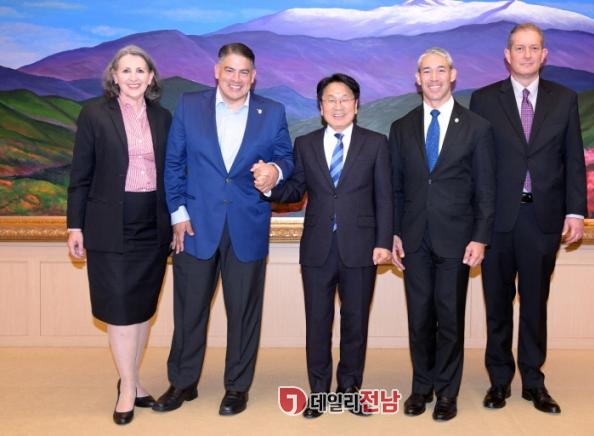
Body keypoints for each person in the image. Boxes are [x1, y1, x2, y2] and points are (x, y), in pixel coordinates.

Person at [154, 42, 294, 416]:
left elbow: (286, 157)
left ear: (254, 76)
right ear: (216, 72)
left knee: (244, 312)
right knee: (189, 309)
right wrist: (178, 213)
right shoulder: (189, 105)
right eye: (229, 70)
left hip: (247, 225)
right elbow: (173, 163)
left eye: (244, 72)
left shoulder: (272, 112)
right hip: (195, 225)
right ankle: (182, 383)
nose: (236, 78)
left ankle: (237, 387)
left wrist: (275, 171)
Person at [469, 23, 587, 414]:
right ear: (507, 55)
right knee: (497, 304)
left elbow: (574, 158)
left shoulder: (564, 99)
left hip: (543, 218)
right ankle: (499, 381)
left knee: (535, 304)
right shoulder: (484, 99)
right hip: (497, 220)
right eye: (519, 48)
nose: (527, 55)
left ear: (544, 55)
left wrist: (575, 211)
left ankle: (534, 382)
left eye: (534, 48)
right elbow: (477, 165)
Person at [260, 73, 392, 418]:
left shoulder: (376, 143)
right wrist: (270, 187)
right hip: (317, 247)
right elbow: (295, 191)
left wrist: (383, 242)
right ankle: (318, 392)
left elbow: (385, 197)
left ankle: (349, 390)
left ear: (356, 104)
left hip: (361, 247)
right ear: (320, 107)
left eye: (344, 98)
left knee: (355, 323)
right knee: (317, 323)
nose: (338, 105)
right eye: (330, 99)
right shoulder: (305, 144)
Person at [66, 45, 172, 425]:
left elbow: (173, 172)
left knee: (142, 308)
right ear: (114, 76)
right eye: (125, 70)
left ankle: (134, 380)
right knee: (120, 308)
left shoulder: (163, 118)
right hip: (109, 224)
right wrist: (75, 225)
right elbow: (80, 174)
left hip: (153, 224)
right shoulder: (94, 114)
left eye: (140, 70)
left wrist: (178, 219)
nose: (133, 77)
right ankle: (127, 387)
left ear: (151, 77)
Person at [390, 47, 495, 421]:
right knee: (419, 318)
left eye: (440, 70)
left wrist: (480, 237)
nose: (433, 78)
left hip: (458, 240)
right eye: (426, 71)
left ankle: (447, 393)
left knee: (449, 318)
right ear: (417, 79)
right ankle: (422, 388)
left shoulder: (477, 127)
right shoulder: (401, 127)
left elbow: (486, 189)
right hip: (414, 238)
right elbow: (395, 187)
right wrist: (394, 233)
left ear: (453, 75)